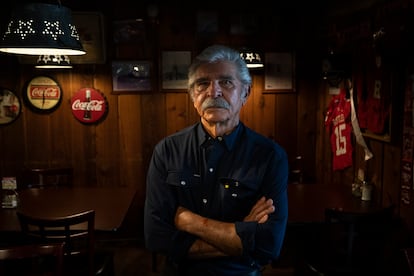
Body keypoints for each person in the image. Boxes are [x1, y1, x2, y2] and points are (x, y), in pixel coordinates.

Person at [144, 44, 289, 276]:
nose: (214, 92)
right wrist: (239, 237)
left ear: (245, 93)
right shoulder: (167, 150)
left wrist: (188, 221)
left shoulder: (270, 156)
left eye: (226, 82)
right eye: (203, 84)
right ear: (193, 96)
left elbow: (268, 245)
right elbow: (157, 238)